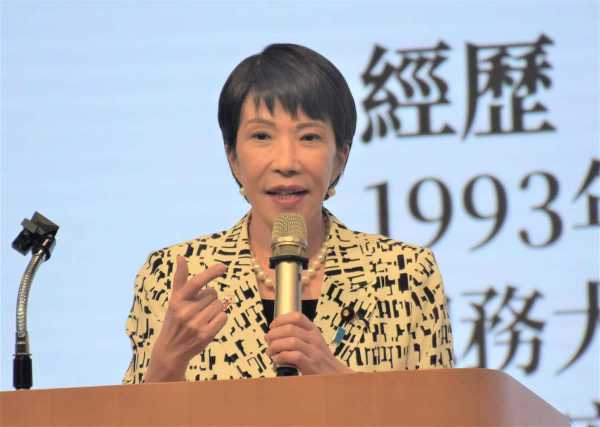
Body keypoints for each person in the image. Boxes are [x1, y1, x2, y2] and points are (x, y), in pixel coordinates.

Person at [123, 43, 454, 384]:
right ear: (233, 158)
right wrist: (166, 364)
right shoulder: (174, 277)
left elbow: (442, 410)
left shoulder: (403, 275)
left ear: (340, 158)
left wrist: (335, 379)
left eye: (309, 137)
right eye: (262, 136)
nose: (286, 162)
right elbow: (132, 412)